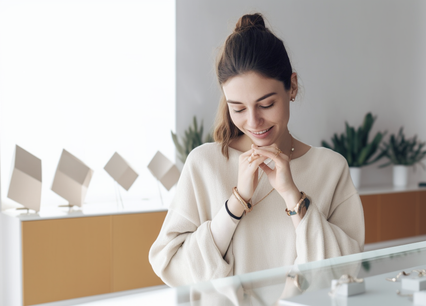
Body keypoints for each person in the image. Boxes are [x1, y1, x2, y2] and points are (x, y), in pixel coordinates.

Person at [149, 13, 364, 287]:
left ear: (292, 86)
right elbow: (171, 266)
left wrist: (293, 197)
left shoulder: (330, 169)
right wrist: (236, 203)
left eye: (265, 105)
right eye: (237, 108)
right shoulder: (203, 164)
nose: (253, 122)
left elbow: (346, 271)